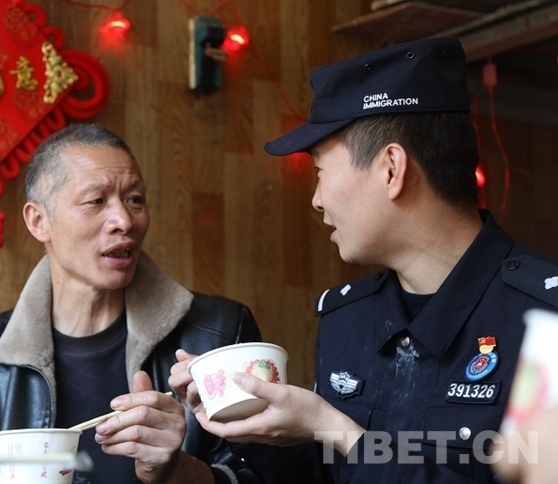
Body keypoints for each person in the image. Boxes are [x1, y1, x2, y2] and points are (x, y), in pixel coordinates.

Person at [174, 37, 558, 482]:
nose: (317, 200)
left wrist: (339, 431)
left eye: (320, 171)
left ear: (391, 169)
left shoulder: (545, 320)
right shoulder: (347, 317)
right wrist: (251, 422)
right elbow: (331, 476)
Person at [0, 123, 263, 484]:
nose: (125, 220)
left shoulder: (219, 335)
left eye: (135, 199)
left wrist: (177, 472)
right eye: (96, 201)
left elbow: (271, 474)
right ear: (39, 221)